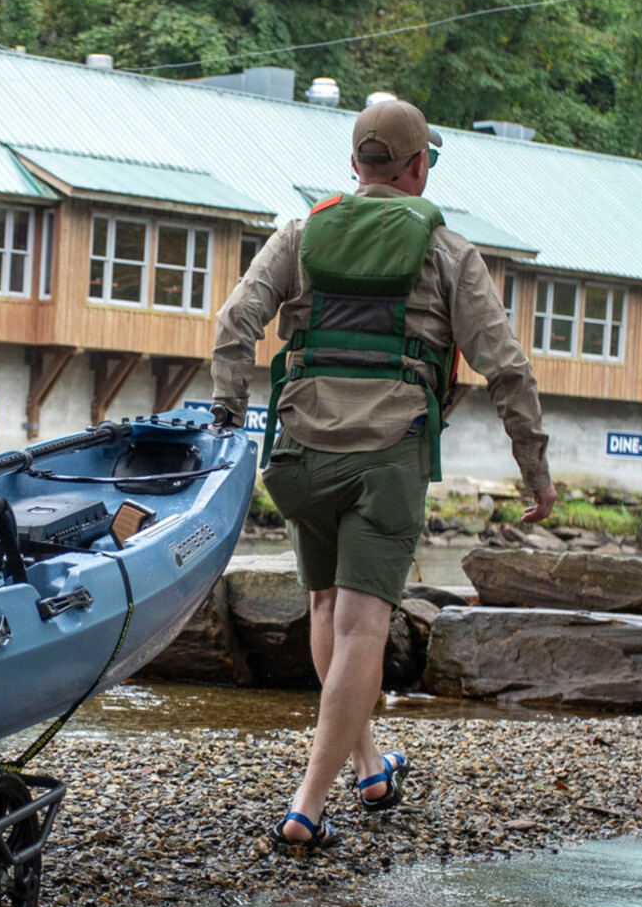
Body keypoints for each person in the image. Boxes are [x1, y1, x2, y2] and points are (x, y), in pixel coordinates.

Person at [209, 96, 554, 852]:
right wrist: (535, 470)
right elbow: (508, 369)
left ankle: (369, 766)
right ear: (419, 166)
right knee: (366, 624)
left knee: (326, 606)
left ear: (355, 165)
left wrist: (228, 415)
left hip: (298, 452)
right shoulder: (449, 252)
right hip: (386, 456)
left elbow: (235, 320)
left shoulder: (300, 233)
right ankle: (306, 805)